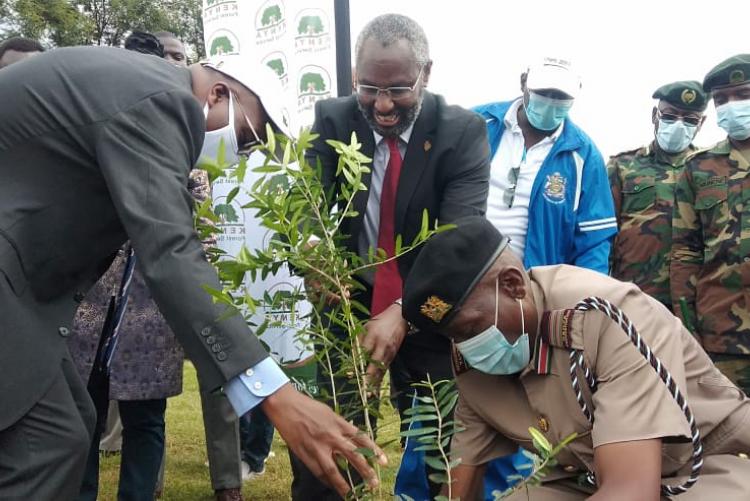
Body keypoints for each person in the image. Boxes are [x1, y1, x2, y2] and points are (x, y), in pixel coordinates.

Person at [0, 47, 384, 500]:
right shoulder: (166, 100)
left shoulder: (141, 90)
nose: (241, 156)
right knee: (46, 446)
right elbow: (170, 252)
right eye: (247, 139)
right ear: (219, 93)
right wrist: (274, 394)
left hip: (24, 293)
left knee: (65, 430)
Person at [402, 216, 750, 500]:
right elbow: (461, 478)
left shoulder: (608, 318)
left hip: (703, 466)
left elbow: (631, 492)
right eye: (453, 337)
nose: (467, 346)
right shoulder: (474, 359)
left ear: (512, 286)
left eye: (472, 328)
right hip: (587, 478)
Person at [297, 13, 490, 500]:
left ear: (427, 73)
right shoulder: (331, 119)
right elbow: (308, 206)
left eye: (399, 90)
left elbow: (459, 239)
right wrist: (314, 251)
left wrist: (404, 312)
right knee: (334, 434)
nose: (382, 105)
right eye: (369, 88)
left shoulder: (461, 133)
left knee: (434, 444)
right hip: (348, 303)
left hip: (428, 308)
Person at [473, 57, 616, 273]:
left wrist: (587, 296)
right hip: (464, 273)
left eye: (560, 97)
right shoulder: (477, 124)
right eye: (543, 92)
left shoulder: (583, 155)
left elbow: (593, 242)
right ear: (524, 83)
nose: (550, 102)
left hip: (534, 289)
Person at [672, 54, 750, 396]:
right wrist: (687, 328)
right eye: (721, 100)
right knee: (728, 439)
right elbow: (686, 252)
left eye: (742, 95)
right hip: (721, 338)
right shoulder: (699, 168)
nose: (731, 106)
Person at [608, 81, 707, 311]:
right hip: (633, 297)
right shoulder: (622, 167)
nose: (679, 125)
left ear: (701, 124)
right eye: (671, 116)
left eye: (690, 119)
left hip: (692, 302)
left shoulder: (709, 170)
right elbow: (604, 236)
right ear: (655, 115)